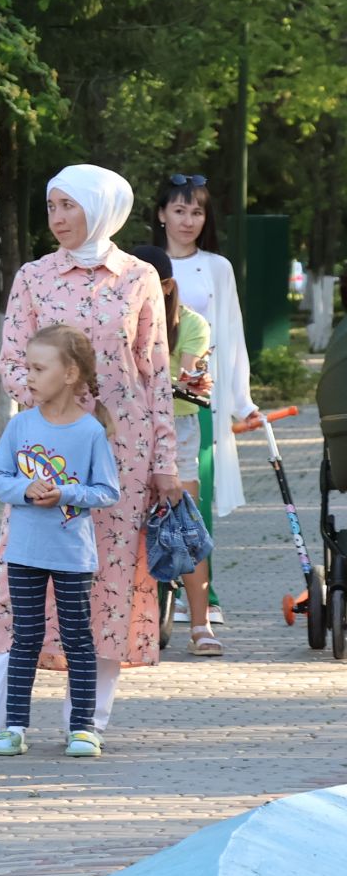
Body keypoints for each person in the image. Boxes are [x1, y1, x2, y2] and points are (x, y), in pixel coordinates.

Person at [0, 164, 179, 749]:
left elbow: (155, 374)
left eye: (69, 206)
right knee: (13, 580)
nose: (57, 218)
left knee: (106, 581)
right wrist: (51, 394)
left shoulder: (137, 278)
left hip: (120, 455)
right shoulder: (34, 277)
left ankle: (87, 723)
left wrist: (166, 463)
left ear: (101, 209)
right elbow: (12, 362)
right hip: (42, 452)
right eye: (51, 206)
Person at [0, 324, 122, 758]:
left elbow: (107, 491)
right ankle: (14, 728)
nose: (29, 377)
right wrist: (25, 490)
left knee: (78, 639)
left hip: (72, 557)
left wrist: (66, 494)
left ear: (69, 373)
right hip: (24, 553)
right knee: (25, 638)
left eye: (38, 368)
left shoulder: (90, 432)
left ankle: (82, 728)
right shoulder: (21, 425)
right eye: (27, 367)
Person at [153, 174, 263, 631]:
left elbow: (230, 334)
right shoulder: (142, 264)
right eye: (178, 210)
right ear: (161, 214)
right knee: (152, 503)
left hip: (196, 401)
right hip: (148, 400)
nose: (187, 220)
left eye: (196, 212)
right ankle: (157, 597)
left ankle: (205, 596)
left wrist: (241, 401)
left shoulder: (216, 267)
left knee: (195, 499)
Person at [128, 244, 223, 654]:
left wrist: (190, 381)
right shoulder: (117, 320)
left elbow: (188, 374)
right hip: (128, 426)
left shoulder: (192, 325)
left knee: (185, 519)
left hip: (178, 422)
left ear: (166, 286)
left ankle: (201, 624)